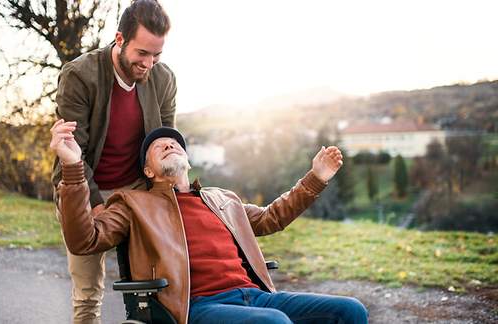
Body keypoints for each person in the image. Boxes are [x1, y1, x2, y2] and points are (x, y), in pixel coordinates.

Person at [50, 123, 369, 324]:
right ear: (148, 171)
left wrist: (315, 179)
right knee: (274, 322)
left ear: (187, 160)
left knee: (351, 310)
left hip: (255, 295)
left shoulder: (222, 198)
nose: (169, 144)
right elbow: (84, 241)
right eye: (158, 146)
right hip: (196, 305)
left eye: (175, 143)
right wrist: (72, 167)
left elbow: (273, 216)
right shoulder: (134, 204)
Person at [50, 1, 176, 322]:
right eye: (142, 53)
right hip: (84, 186)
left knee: (159, 287)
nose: (149, 64)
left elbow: (166, 142)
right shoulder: (80, 75)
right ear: (120, 39)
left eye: (157, 55)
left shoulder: (164, 79)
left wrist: (171, 196)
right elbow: (73, 152)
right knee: (88, 295)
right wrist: (93, 203)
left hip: (137, 188)